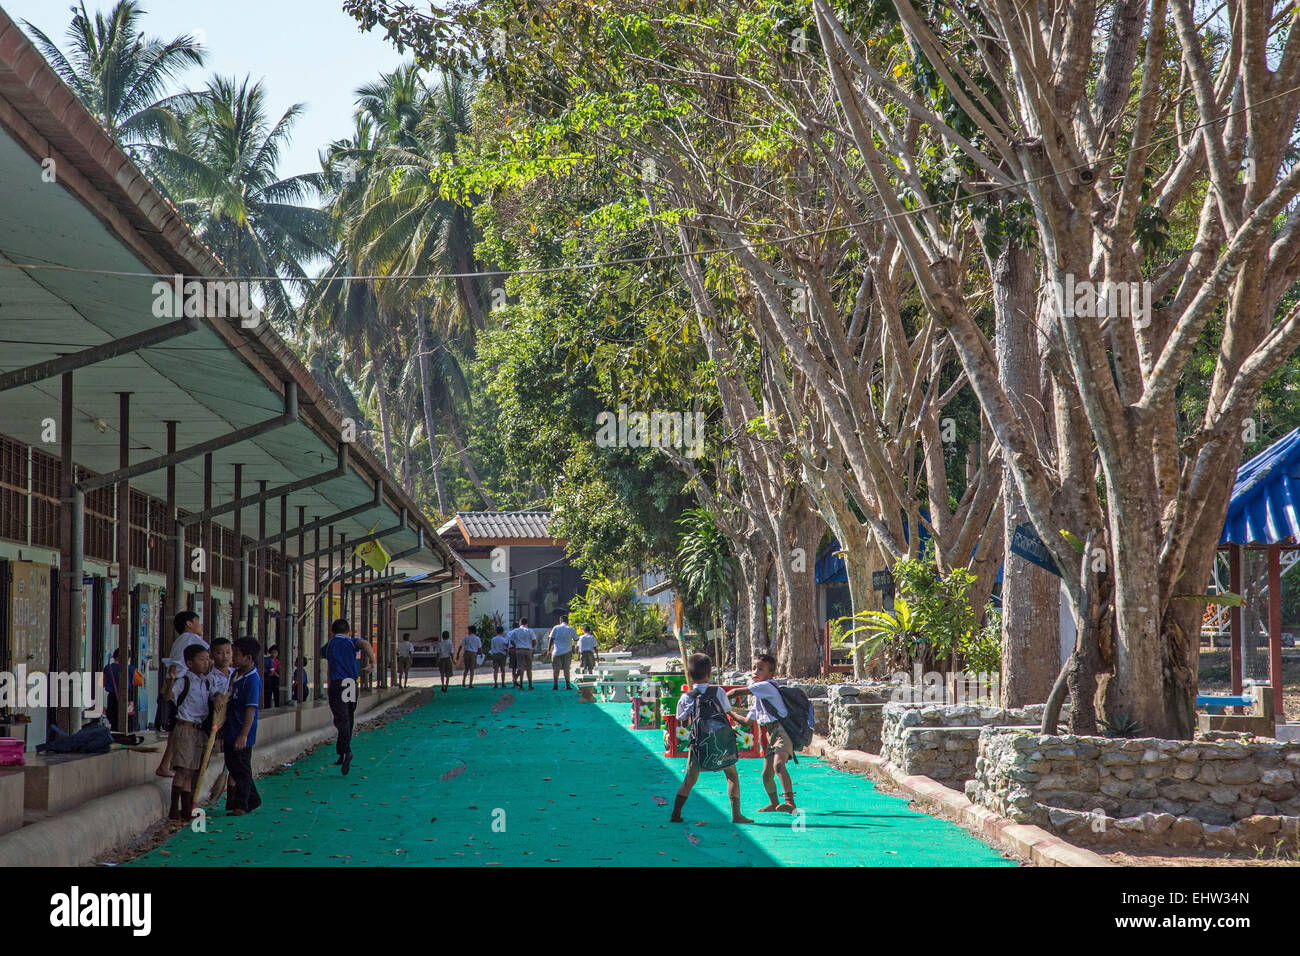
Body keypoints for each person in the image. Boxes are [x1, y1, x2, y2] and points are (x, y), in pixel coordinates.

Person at [670, 652, 753, 825]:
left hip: (698, 743)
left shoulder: (687, 697)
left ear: (690, 675)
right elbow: (725, 712)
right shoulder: (719, 692)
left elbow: (683, 722)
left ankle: (676, 813)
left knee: (690, 779)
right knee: (731, 775)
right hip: (721, 741)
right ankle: (737, 814)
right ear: (710, 674)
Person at [728, 653, 796, 814]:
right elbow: (746, 722)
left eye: (760, 669)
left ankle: (790, 803)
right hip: (770, 734)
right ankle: (774, 803)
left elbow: (735, 693)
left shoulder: (766, 686)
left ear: (770, 674)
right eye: (753, 668)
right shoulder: (760, 698)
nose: (755, 672)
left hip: (781, 731)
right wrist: (729, 712)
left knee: (779, 765)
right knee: (766, 775)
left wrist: (719, 698)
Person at [156, 611, 207, 777]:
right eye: (197, 621)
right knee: (179, 729)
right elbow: (208, 654)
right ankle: (167, 764)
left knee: (175, 730)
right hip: (181, 690)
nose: (200, 625)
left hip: (174, 685)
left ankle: (166, 764)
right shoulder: (192, 639)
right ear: (189, 624)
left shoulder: (180, 640)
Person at [167, 644, 214, 823]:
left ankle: (186, 809)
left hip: (199, 730)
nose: (205, 662)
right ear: (189, 663)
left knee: (193, 770)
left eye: (207, 658)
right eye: (201, 659)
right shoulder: (183, 681)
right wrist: (170, 679)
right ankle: (173, 808)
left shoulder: (206, 682)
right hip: (185, 728)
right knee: (183, 768)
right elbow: (168, 696)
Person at [324, 619, 375, 775]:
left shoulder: (330, 645)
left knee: (340, 719)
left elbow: (322, 654)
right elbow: (365, 643)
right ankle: (342, 752)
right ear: (349, 632)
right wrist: (373, 661)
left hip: (337, 684)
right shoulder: (351, 642)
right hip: (351, 683)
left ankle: (346, 750)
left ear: (332, 632)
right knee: (348, 718)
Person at [224, 638, 263, 816]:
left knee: (242, 768)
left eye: (236, 654)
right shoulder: (235, 675)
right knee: (232, 764)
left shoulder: (252, 680)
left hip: (241, 731)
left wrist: (244, 735)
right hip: (230, 729)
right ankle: (253, 798)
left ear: (248, 658)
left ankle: (243, 803)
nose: (233, 657)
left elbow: (251, 709)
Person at [102, 648, 142, 733]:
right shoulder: (131, 669)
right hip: (127, 698)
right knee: (128, 720)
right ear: (127, 658)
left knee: (114, 722)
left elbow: (102, 683)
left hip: (112, 698)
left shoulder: (107, 668)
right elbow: (140, 681)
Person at [547, 614, 577, 691]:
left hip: (556, 652)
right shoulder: (571, 629)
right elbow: (576, 639)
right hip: (567, 651)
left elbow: (551, 639)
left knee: (556, 669)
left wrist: (548, 650)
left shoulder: (556, 628)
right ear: (568, 621)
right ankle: (568, 685)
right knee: (566, 669)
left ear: (560, 621)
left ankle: (555, 685)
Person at [507, 618, 535, 690]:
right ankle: (530, 685)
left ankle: (521, 685)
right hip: (528, 650)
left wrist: (516, 646)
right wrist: (531, 647)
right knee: (529, 668)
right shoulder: (530, 631)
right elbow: (534, 641)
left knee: (521, 667)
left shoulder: (516, 631)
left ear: (520, 623)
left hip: (519, 650)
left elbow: (511, 641)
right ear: (527, 623)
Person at [489, 625, 509, 689]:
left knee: (495, 670)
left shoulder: (493, 639)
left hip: (495, 655)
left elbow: (492, 648)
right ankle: (503, 683)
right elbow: (505, 648)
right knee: (503, 669)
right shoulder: (504, 639)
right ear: (502, 632)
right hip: (502, 655)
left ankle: (495, 683)